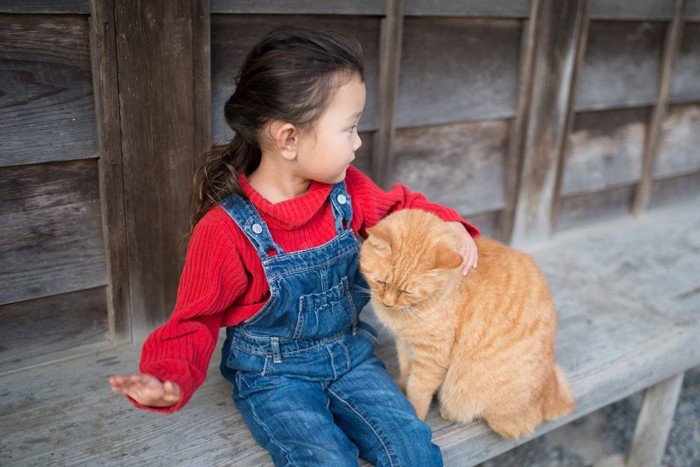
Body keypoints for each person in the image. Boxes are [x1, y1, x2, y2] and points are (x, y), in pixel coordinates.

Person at [109, 26, 479, 466]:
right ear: (288, 138)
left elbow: (405, 207)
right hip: (274, 376)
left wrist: (449, 223)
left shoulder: (350, 193)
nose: (359, 143)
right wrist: (166, 377)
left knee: (413, 449)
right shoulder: (225, 230)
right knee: (324, 459)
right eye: (349, 128)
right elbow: (195, 318)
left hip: (351, 357)